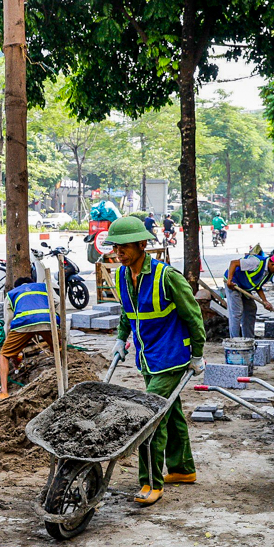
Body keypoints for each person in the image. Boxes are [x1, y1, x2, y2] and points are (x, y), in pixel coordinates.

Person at [105, 216, 205, 507]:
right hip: (146, 358)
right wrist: (120, 339)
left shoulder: (167, 276)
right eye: (115, 247)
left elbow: (193, 316)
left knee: (149, 417)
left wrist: (197, 354)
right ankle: (183, 469)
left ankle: (150, 483)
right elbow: (128, 312)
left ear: (142, 244)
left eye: (124, 247)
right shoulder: (122, 276)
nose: (119, 252)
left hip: (172, 357)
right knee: (170, 413)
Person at [0, 278, 58, 400]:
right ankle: (66, 374)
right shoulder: (44, 287)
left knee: (4, 355)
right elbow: (58, 303)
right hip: (47, 320)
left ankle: (4, 392)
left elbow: (8, 322)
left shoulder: (12, 293)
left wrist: (10, 345)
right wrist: (58, 326)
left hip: (24, 323)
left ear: (16, 286)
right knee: (57, 348)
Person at [223, 250, 274, 338]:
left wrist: (265, 301)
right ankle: (234, 341)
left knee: (251, 309)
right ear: (273, 264)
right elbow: (233, 263)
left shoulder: (268, 272)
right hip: (233, 284)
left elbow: (258, 286)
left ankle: (249, 339)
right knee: (236, 312)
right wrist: (229, 281)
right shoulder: (255, 263)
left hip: (244, 286)